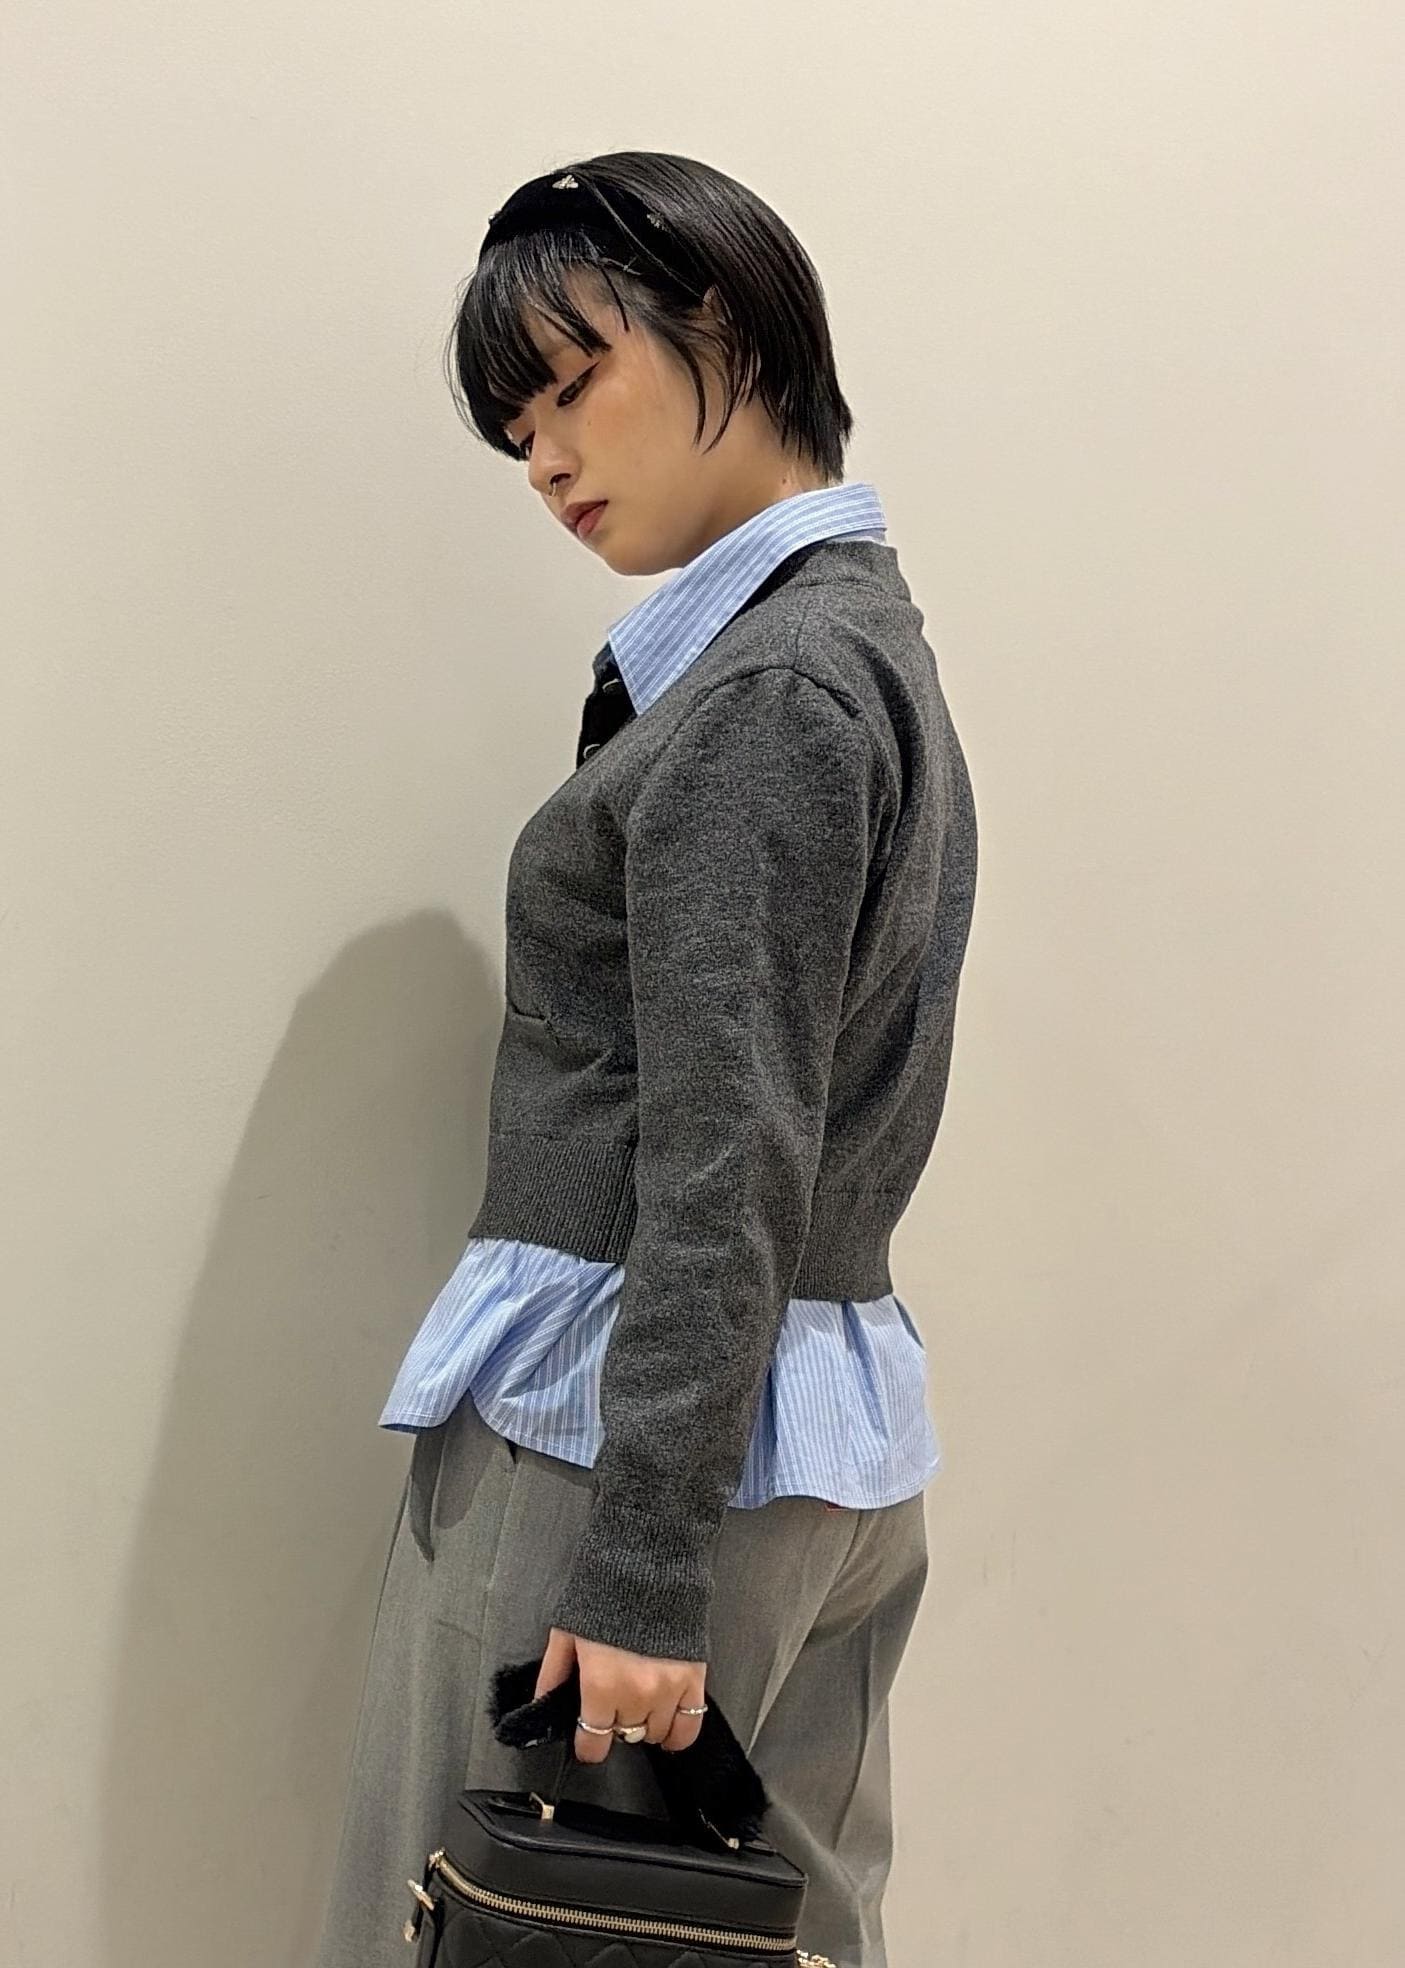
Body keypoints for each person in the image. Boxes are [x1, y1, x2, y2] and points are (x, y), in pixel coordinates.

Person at [312, 148, 978, 1968]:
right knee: (785, 1934)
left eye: (568, 381)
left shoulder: (767, 696)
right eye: (513, 427)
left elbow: (722, 1152)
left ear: (727, 320)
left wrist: (638, 1568)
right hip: (812, 1445)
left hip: (624, 1450)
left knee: (461, 1921)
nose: (541, 457)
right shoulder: (851, 648)